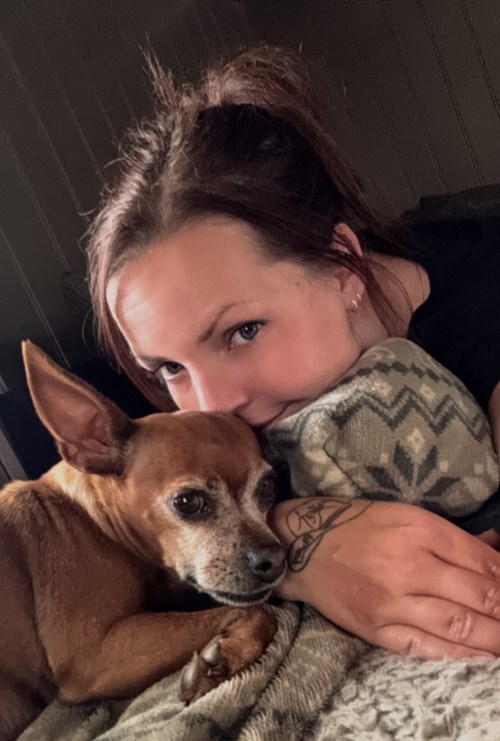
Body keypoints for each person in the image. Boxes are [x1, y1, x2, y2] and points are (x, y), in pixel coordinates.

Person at [87, 45, 500, 660]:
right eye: (169, 368)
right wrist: (302, 547)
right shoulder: (194, 422)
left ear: (343, 268)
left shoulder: (485, 298)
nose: (212, 405)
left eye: (243, 331)